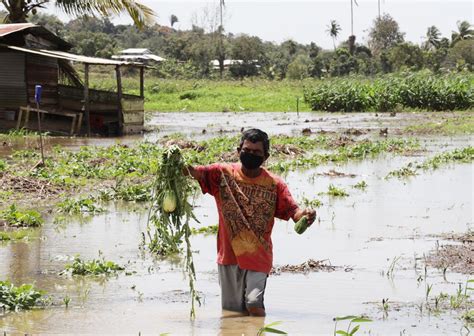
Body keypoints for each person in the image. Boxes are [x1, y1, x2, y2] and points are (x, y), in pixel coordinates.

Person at [187, 128, 316, 317]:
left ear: (266, 156)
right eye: (247, 150)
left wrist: (305, 215)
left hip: (259, 255)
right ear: (238, 150)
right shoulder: (221, 174)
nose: (251, 155)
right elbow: (194, 173)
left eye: (256, 153)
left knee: (254, 302)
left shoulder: (274, 184)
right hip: (229, 255)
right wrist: (175, 162)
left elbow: (292, 211)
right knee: (233, 313)